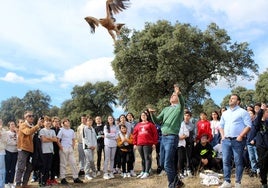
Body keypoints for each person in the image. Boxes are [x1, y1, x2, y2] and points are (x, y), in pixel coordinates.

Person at [148, 84, 185, 188]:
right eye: (172, 95)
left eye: (175, 95)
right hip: (163, 138)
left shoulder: (179, 109)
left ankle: (172, 185)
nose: (173, 96)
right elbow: (157, 121)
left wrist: (179, 93)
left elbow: (182, 102)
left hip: (172, 138)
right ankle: (177, 182)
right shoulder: (165, 109)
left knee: (168, 163)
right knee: (163, 163)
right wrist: (151, 114)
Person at [219, 94, 251, 188]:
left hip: (238, 141)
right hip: (226, 141)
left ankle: (238, 182)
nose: (230, 100)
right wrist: (222, 136)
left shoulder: (243, 112)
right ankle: (227, 182)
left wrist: (241, 136)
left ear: (238, 102)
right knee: (225, 161)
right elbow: (221, 126)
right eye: (230, 98)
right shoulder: (225, 113)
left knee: (238, 161)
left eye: (233, 98)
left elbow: (248, 125)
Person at [15, 111, 43, 186]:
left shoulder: (33, 126)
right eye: (29, 116)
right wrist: (37, 126)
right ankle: (17, 185)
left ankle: (24, 184)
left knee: (30, 167)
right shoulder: (23, 125)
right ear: (25, 117)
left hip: (31, 150)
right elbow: (28, 132)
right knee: (21, 167)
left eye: (32, 116)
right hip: (23, 149)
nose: (31, 117)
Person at [57, 118, 83, 185]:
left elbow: (73, 139)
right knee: (63, 164)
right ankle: (62, 178)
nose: (68, 122)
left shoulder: (71, 131)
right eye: (66, 121)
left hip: (70, 149)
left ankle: (75, 178)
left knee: (73, 163)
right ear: (63, 123)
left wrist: (72, 146)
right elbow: (58, 140)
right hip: (63, 148)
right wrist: (61, 148)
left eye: (68, 121)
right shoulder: (61, 130)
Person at [133, 111, 158, 179]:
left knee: (147, 157)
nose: (143, 116)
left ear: (147, 116)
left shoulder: (151, 124)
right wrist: (135, 143)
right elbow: (135, 135)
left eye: (144, 115)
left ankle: (147, 172)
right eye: (142, 115)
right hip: (139, 144)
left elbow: (155, 134)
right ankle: (143, 171)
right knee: (143, 158)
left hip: (148, 143)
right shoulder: (138, 125)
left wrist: (154, 143)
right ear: (140, 117)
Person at [39, 116, 57, 186]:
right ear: (43, 123)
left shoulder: (52, 131)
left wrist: (48, 138)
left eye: (49, 121)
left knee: (48, 167)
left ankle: (46, 181)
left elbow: (55, 140)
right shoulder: (42, 130)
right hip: (44, 151)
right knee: (44, 167)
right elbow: (43, 140)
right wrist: (51, 138)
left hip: (50, 151)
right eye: (47, 121)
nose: (48, 122)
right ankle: (42, 182)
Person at [253, 103, 268, 188]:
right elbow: (257, 120)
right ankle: (264, 182)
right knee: (263, 165)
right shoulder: (257, 122)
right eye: (266, 111)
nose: (267, 113)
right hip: (261, 147)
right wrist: (261, 110)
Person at [83, 116, 97, 181]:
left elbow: (95, 138)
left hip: (93, 147)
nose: (90, 122)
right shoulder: (84, 128)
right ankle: (87, 174)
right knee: (89, 160)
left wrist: (94, 145)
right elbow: (84, 138)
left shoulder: (92, 129)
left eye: (91, 120)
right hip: (87, 147)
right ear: (86, 121)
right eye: (88, 120)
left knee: (91, 160)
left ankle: (94, 171)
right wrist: (90, 146)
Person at [103, 115, 118, 180]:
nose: (111, 119)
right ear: (108, 120)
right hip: (107, 144)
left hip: (114, 144)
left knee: (112, 159)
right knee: (107, 158)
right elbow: (106, 135)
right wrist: (114, 135)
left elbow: (117, 136)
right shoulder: (106, 126)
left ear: (113, 119)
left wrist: (112, 135)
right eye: (109, 118)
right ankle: (105, 173)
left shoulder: (116, 127)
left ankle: (111, 172)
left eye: (112, 118)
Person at [246, 109, 259, 177]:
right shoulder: (247, 124)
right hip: (248, 144)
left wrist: (254, 139)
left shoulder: (256, 123)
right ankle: (254, 170)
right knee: (252, 158)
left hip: (256, 143)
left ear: (254, 115)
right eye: (248, 114)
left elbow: (259, 133)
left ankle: (259, 171)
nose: (249, 115)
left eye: (250, 113)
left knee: (257, 158)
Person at [5, 121, 18, 187]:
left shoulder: (16, 133)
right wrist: (15, 143)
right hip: (8, 151)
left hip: (15, 152)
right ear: (9, 126)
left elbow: (19, 141)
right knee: (7, 168)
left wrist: (17, 133)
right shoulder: (7, 133)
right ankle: (6, 183)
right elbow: (7, 142)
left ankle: (11, 182)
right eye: (11, 124)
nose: (13, 125)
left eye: (14, 124)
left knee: (13, 168)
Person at [183, 111, 196, 177]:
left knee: (189, 156)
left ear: (190, 117)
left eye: (188, 116)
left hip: (189, 142)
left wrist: (193, 139)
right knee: (182, 156)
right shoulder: (181, 123)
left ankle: (188, 169)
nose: (187, 117)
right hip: (181, 142)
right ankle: (183, 170)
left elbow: (194, 134)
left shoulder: (192, 125)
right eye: (185, 115)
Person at [50, 116, 61, 184]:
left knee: (58, 161)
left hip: (59, 147)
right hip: (52, 148)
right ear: (52, 122)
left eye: (58, 121)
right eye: (55, 121)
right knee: (52, 162)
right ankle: (52, 175)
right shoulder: (51, 129)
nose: (57, 123)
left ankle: (57, 173)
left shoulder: (60, 130)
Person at [0, 119, 8, 188]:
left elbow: (5, 141)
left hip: (1, 152)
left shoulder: (4, 131)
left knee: (2, 170)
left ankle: (1, 185)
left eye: (0, 122)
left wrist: (1, 135)